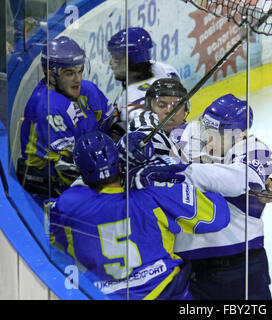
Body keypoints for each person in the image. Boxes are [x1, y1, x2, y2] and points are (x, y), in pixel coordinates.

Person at [45, 130, 231, 300]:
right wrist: (164, 178)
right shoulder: (153, 196)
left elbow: (50, 216)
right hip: (165, 291)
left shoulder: (69, 204)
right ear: (119, 165)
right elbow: (217, 216)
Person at [168, 94, 272, 300]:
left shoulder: (258, 151)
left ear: (240, 135)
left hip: (241, 262)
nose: (208, 140)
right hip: (189, 264)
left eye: (219, 135)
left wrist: (182, 172)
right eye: (206, 131)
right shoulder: (183, 137)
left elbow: (237, 180)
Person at [17, 36, 116, 206]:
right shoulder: (47, 108)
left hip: (91, 172)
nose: (77, 79)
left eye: (79, 70)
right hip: (53, 188)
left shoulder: (86, 89)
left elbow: (112, 125)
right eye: (69, 73)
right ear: (51, 75)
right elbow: (68, 169)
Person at [107, 27, 180, 135]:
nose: (111, 63)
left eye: (116, 58)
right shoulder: (167, 70)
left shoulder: (130, 101)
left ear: (131, 61)